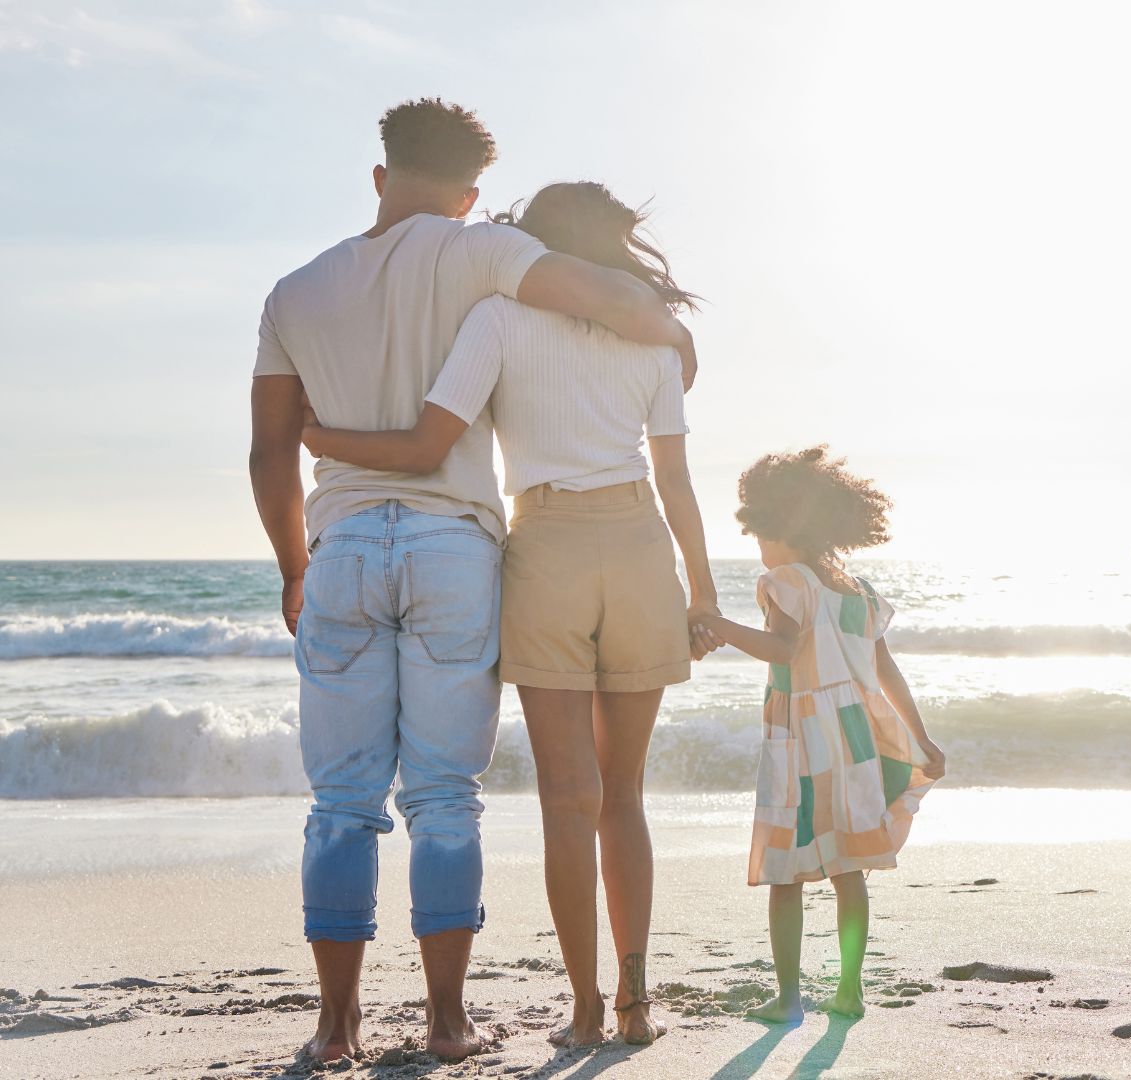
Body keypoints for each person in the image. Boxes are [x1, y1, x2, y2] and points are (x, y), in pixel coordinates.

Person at [248, 99, 696, 1063]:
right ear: (470, 194)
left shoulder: (295, 291)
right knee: (453, 797)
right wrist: (675, 338)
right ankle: (459, 1020)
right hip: (477, 548)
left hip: (352, 543)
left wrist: (295, 566)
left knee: (342, 802)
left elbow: (271, 454)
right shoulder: (482, 258)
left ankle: (337, 1025)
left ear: (379, 175)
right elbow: (621, 312)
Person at [694, 447, 946, 1022]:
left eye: (758, 533)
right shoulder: (857, 591)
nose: (756, 547)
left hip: (802, 739)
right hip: (854, 742)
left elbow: (782, 650)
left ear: (782, 527)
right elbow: (888, 672)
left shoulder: (786, 581)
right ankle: (849, 991)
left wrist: (719, 626)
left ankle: (787, 1000)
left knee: (787, 869)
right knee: (846, 868)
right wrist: (922, 737)